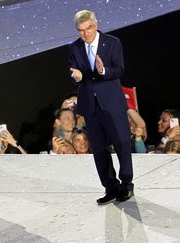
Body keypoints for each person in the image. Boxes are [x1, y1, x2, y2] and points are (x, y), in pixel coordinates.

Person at [69, 10, 134, 205]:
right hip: (90, 104)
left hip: (112, 103)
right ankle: (110, 187)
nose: (85, 34)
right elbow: (74, 73)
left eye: (88, 28)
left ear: (95, 25)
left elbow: (119, 69)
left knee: (121, 143)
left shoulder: (112, 42)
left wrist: (102, 70)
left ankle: (126, 185)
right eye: (81, 30)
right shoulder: (74, 47)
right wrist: (77, 78)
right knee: (99, 148)